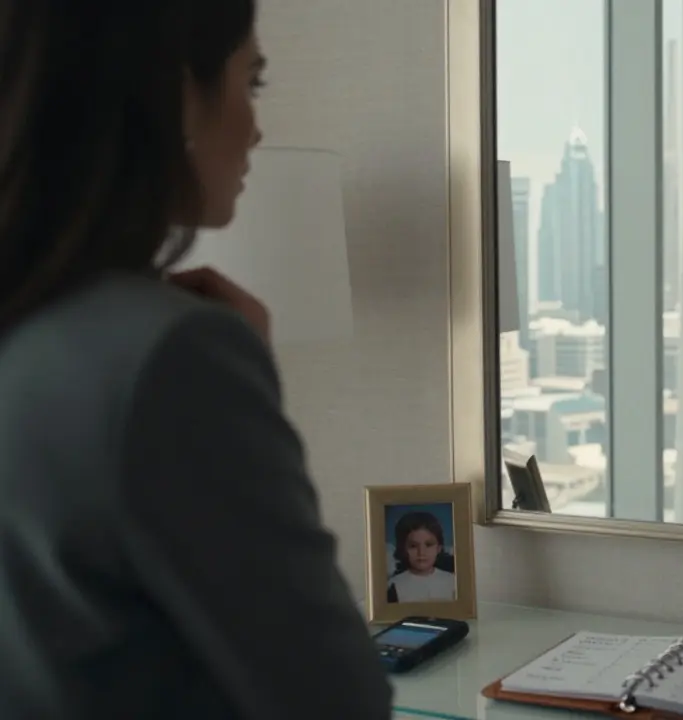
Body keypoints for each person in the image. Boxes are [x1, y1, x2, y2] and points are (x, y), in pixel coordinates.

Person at [0, 1, 392, 717]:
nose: (257, 126)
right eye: (252, 82)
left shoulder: (34, 328)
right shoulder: (174, 358)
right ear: (180, 96)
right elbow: (339, 700)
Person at [387, 511, 458, 603]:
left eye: (428, 545)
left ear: (438, 548)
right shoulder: (393, 585)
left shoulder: (453, 581)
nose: (421, 552)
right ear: (403, 549)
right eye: (413, 546)